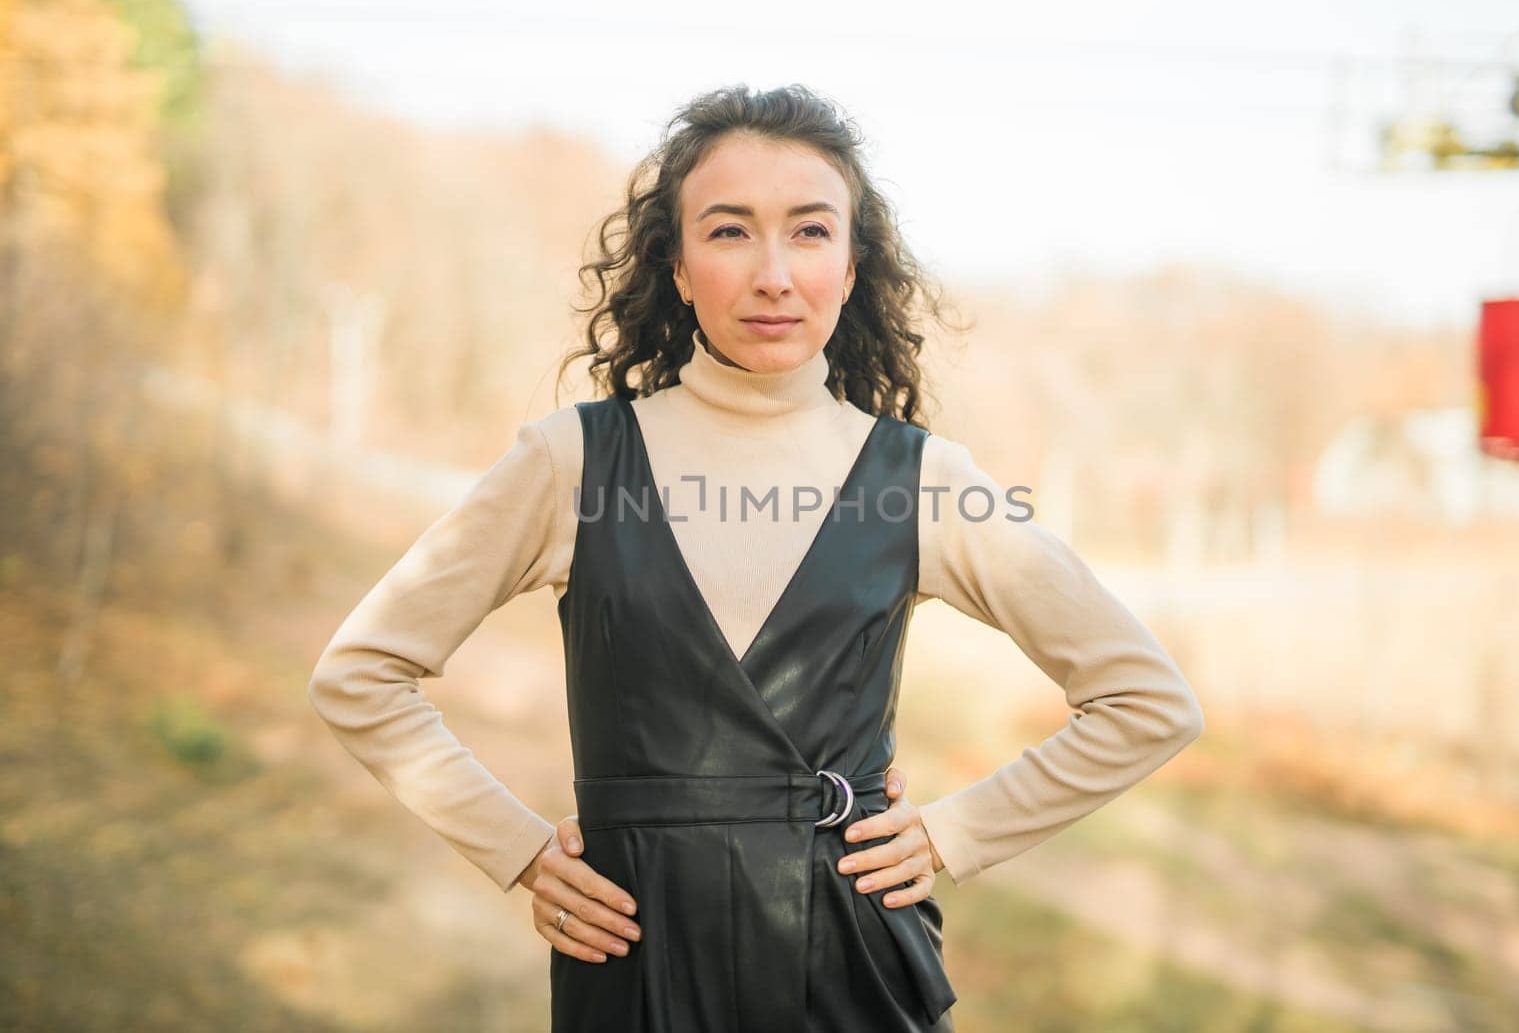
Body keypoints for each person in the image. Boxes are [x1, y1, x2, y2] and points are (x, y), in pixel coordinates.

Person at [308, 83, 1205, 1032]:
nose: (773, 274)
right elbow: (359, 675)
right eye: (730, 232)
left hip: (855, 970)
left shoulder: (925, 482)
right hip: (636, 969)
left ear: (853, 267)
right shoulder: (570, 462)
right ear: (678, 266)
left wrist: (956, 829)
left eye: (811, 233)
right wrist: (519, 850)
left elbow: (1148, 701)